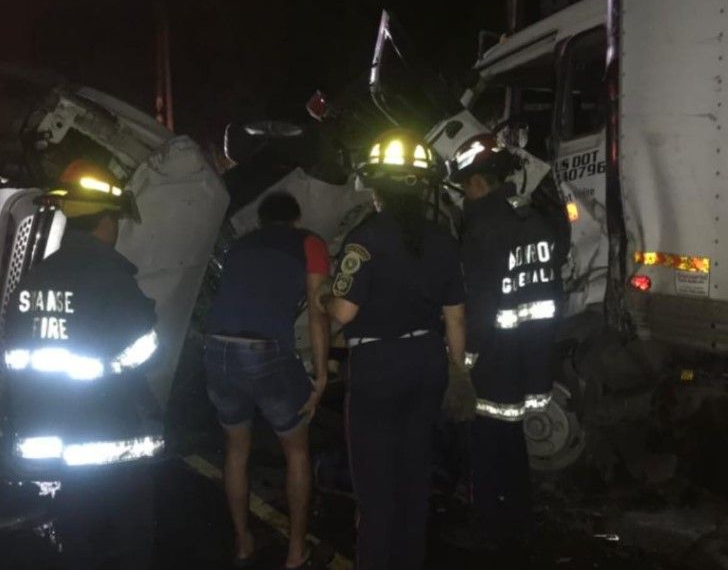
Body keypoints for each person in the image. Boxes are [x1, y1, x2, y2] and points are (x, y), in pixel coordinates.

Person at [317, 131, 475, 570]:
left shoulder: (364, 238)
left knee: (375, 490)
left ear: (376, 188)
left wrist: (322, 299)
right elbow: (456, 319)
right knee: (413, 480)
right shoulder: (442, 239)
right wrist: (458, 372)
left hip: (378, 369)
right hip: (427, 364)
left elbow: (344, 313)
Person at [2, 160, 162, 569]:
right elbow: (145, 344)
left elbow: (17, 352)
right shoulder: (112, 277)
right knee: (130, 536)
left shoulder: (35, 278)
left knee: (74, 535)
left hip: (51, 431)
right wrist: (116, 369)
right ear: (106, 222)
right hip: (108, 431)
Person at [204, 191, 330, 569]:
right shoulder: (309, 242)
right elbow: (318, 312)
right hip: (265, 352)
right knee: (296, 451)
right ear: (296, 218)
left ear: (261, 220)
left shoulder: (240, 246)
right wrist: (322, 375)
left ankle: (243, 543)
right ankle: (296, 552)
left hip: (216, 350)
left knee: (236, 450)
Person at [449, 133, 562, 553]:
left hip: (492, 361)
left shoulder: (481, 229)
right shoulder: (533, 219)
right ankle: (520, 521)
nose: (464, 194)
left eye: (464, 186)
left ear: (476, 182)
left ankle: (489, 533)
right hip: (531, 353)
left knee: (485, 449)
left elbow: (477, 306)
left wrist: (461, 364)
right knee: (513, 442)